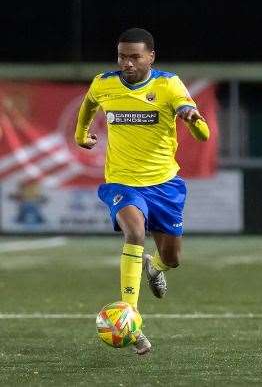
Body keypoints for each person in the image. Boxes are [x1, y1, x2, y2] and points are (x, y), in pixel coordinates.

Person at [74, 27, 210, 355]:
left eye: (135, 57)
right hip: (122, 182)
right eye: (123, 56)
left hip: (164, 185)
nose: (128, 63)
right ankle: (131, 319)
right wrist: (81, 134)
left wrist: (192, 118)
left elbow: (203, 135)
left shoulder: (168, 85)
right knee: (134, 232)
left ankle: (155, 267)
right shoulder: (103, 83)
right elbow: (89, 105)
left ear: (151, 56)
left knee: (172, 258)